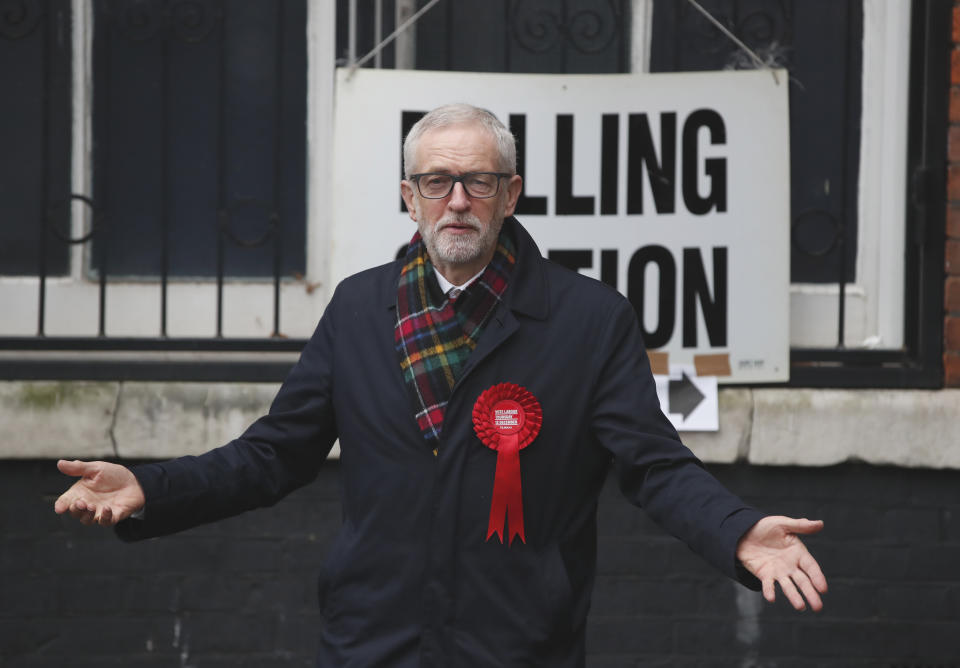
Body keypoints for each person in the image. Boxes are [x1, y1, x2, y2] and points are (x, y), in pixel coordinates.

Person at [55, 103, 827, 667]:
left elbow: (654, 467)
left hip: (519, 644)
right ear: (408, 195)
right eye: (436, 181)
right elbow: (272, 456)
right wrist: (151, 488)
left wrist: (735, 531)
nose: (456, 200)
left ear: (512, 193)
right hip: (372, 642)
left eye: (478, 182)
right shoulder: (360, 307)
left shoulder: (590, 319)